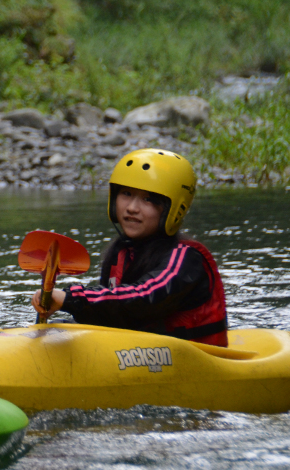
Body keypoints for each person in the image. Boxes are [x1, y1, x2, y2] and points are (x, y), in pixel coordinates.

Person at [31, 148, 228, 347]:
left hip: (196, 359)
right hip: (140, 353)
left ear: (174, 209)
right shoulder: (121, 253)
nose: (132, 207)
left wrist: (71, 299)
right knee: (56, 329)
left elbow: (144, 298)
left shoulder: (186, 259)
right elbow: (111, 314)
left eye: (148, 199)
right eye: (126, 193)